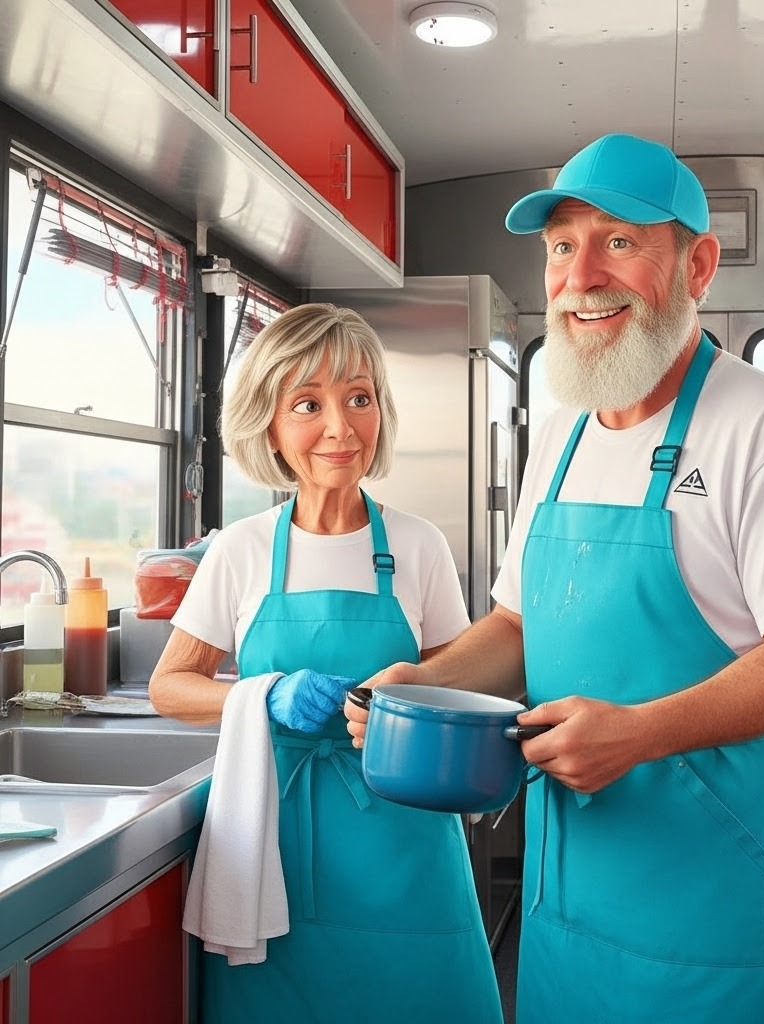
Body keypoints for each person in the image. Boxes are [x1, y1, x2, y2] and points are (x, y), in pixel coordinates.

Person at [346, 133, 764, 1024]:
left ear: (697, 266)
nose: (581, 276)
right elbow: (518, 626)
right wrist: (420, 684)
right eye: (561, 246)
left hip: (721, 865)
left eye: (619, 242)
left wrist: (641, 733)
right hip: (574, 865)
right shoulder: (562, 433)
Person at [149, 303, 503, 1024]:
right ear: (270, 426)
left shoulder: (419, 545)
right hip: (272, 849)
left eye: (359, 398)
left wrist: (421, 715)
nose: (341, 428)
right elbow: (170, 687)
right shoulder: (241, 549)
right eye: (308, 404)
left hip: (406, 842)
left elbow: (460, 684)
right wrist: (267, 694)